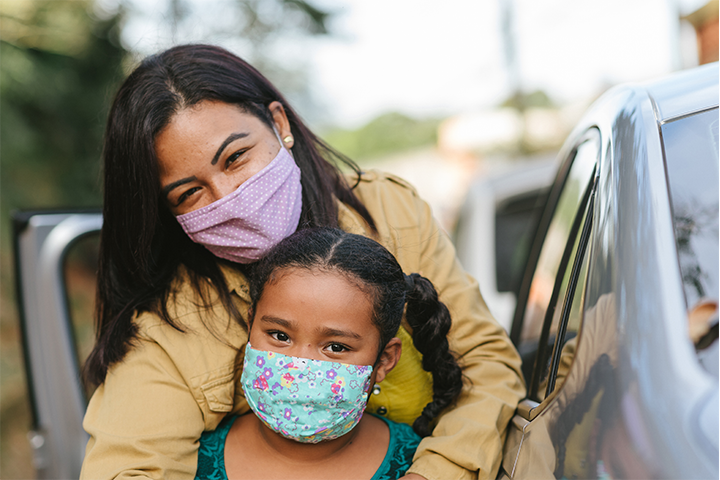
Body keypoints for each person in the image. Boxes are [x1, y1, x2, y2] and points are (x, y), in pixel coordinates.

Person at [80, 43, 525, 480]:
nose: (228, 199)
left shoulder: (391, 212)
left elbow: (485, 366)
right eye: (189, 193)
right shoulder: (169, 326)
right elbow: (129, 466)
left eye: (235, 157)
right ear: (168, 214)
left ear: (278, 123)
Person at [195, 227, 464, 480]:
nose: (300, 365)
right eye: (280, 336)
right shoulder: (191, 459)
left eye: (336, 347)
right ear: (250, 325)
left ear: (384, 360)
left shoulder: (419, 464)